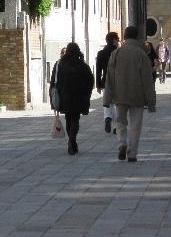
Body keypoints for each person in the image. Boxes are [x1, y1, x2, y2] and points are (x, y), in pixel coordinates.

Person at [103, 26, 156, 163]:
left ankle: (122, 144)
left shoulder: (116, 53)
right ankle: (132, 153)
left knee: (120, 121)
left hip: (119, 95)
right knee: (135, 124)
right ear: (138, 37)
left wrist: (107, 99)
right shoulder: (141, 54)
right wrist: (151, 101)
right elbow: (147, 79)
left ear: (125, 37)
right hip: (137, 95)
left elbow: (109, 78)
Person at [55, 43, 94, 155]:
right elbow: (90, 80)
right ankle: (72, 141)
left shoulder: (61, 64)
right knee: (75, 119)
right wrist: (87, 93)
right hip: (79, 97)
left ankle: (71, 142)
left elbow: (57, 82)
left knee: (68, 118)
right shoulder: (82, 65)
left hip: (65, 96)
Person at [95, 32, 119, 133]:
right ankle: (116, 127)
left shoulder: (101, 53)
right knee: (117, 104)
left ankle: (108, 118)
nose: (118, 41)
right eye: (117, 39)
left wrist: (98, 84)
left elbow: (98, 70)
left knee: (107, 102)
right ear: (113, 40)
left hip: (105, 81)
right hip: (118, 80)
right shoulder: (118, 52)